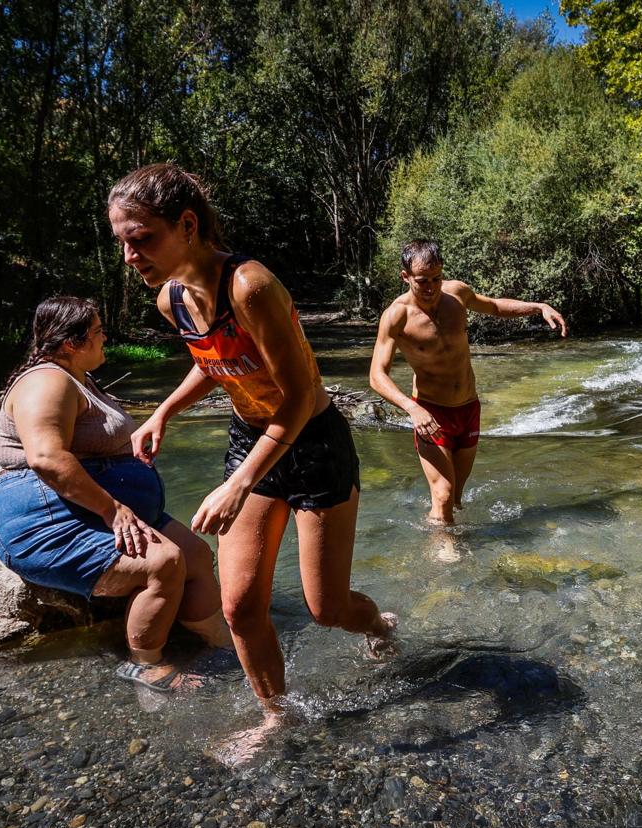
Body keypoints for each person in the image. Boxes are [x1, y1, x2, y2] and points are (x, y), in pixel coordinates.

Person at [105, 163, 396, 720]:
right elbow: (214, 362)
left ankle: (379, 624)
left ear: (187, 225)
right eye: (122, 242)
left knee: (326, 608)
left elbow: (301, 396)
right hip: (250, 439)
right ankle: (275, 715)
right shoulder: (171, 299)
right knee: (239, 605)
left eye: (141, 239)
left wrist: (239, 484)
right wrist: (164, 410)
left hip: (312, 443)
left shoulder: (250, 287)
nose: (129, 257)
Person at [0, 296, 232, 693]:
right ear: (70, 342)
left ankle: (217, 641)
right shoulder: (45, 381)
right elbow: (46, 458)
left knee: (197, 554)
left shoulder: (78, 379)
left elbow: (88, 443)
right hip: (44, 516)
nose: (104, 339)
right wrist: (114, 509)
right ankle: (145, 665)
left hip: (85, 505)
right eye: (98, 332)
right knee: (163, 563)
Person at [369, 239, 568, 525]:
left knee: (456, 498)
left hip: (468, 409)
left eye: (437, 278)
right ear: (406, 277)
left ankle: (449, 533)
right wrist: (412, 409)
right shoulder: (396, 316)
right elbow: (377, 375)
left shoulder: (457, 294)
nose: (431, 287)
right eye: (422, 281)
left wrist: (538, 307)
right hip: (430, 413)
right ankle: (445, 558)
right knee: (443, 494)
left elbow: (496, 306)